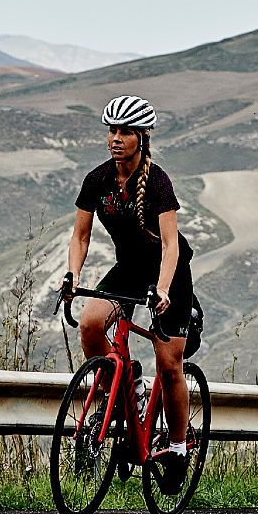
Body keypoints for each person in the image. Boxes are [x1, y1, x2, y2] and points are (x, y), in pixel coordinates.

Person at [60, 94, 201, 492]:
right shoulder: (98, 179)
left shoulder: (157, 182)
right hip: (128, 270)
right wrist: (72, 275)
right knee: (89, 324)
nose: (115, 138)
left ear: (142, 137)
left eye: (125, 132)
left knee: (169, 363)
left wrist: (163, 289)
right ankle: (127, 388)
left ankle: (176, 447)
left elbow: (171, 246)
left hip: (169, 274)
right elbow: (80, 236)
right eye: (111, 131)